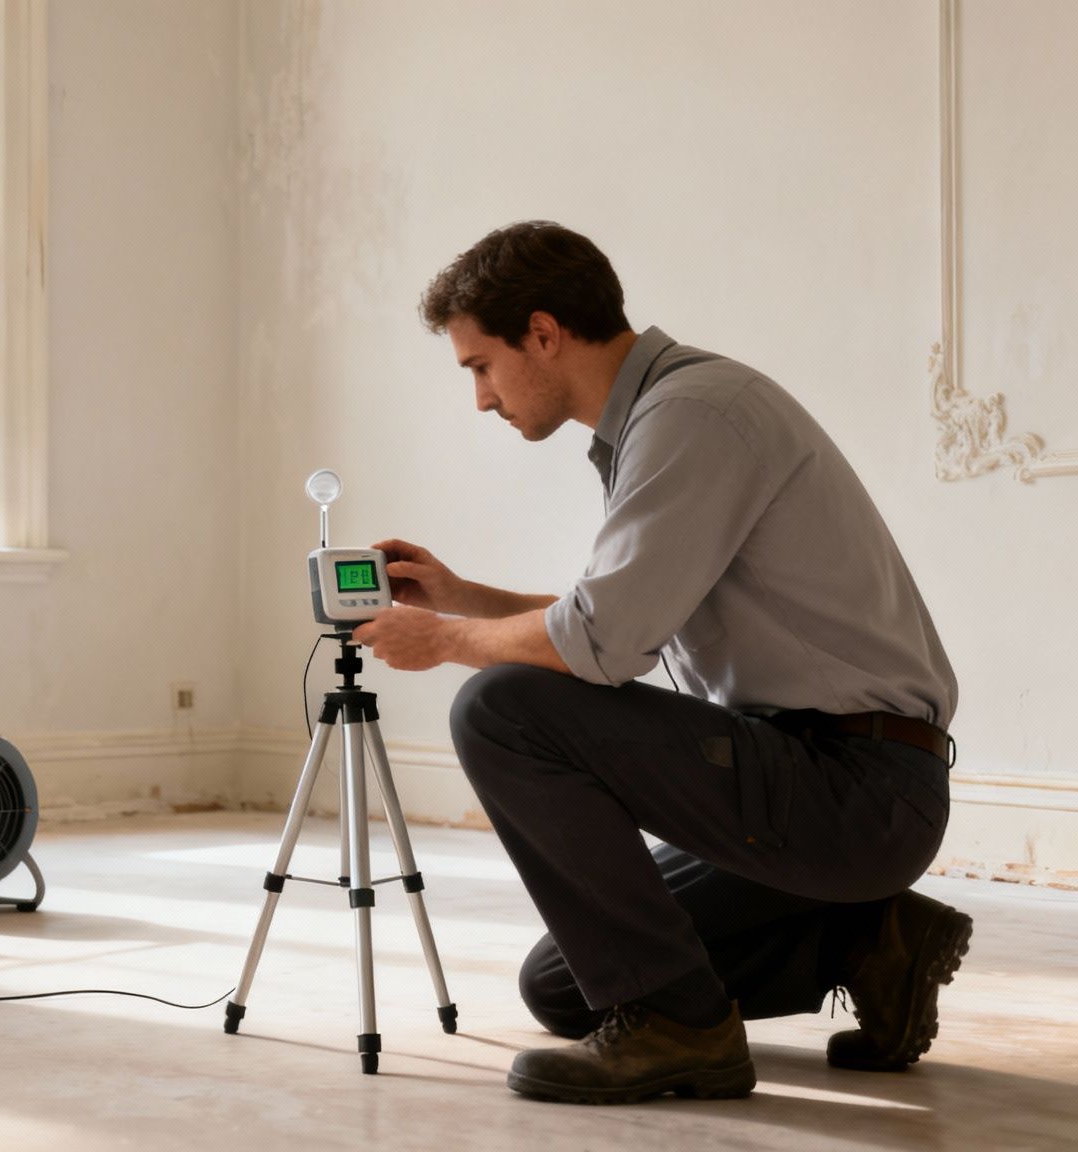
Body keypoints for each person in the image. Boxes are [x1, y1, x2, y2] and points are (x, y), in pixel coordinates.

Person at [350, 221, 968, 1105]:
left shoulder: (694, 416)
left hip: (852, 787)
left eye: (479, 365)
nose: (481, 398)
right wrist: (459, 599)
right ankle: (868, 944)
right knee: (564, 988)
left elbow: (596, 644)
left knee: (498, 709)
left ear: (544, 333)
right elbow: (612, 622)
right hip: (822, 781)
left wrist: (445, 644)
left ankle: (686, 1033)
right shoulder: (671, 414)